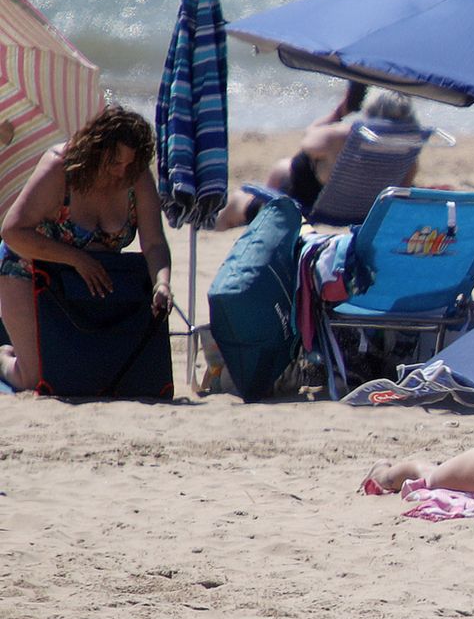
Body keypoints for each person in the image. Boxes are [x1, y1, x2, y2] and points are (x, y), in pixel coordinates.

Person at [0, 105, 173, 392]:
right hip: (26, 270)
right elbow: (13, 231)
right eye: (114, 163)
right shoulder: (60, 167)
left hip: (87, 286)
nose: (121, 172)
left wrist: (162, 283)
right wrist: (76, 258)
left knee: (99, 374)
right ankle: (3, 355)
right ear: (96, 149)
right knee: (34, 379)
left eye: (129, 164)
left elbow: (154, 243)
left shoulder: (136, 175)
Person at [213, 87, 422, 229]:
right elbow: (400, 194)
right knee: (283, 169)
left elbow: (308, 138)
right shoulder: (408, 153)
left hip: (307, 214)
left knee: (238, 200)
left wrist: (340, 112)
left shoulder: (342, 137)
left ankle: (214, 233)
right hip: (365, 218)